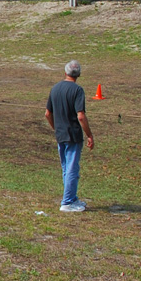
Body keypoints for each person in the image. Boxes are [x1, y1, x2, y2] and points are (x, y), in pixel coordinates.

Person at [45, 60, 95, 212]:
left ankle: (72, 198)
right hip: (73, 135)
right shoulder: (78, 90)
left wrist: (56, 128)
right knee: (72, 168)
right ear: (78, 74)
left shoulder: (55, 88)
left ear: (65, 72)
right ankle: (67, 202)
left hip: (61, 135)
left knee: (67, 168)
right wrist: (90, 135)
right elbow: (81, 116)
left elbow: (47, 114)